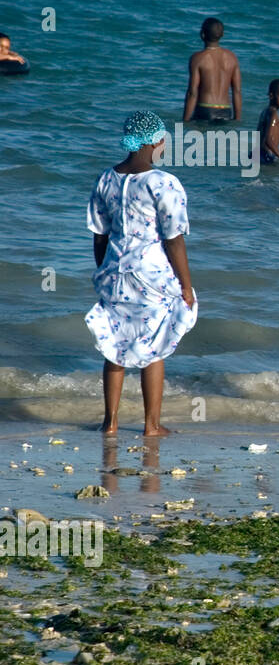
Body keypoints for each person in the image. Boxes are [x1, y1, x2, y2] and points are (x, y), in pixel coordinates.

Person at [86, 112, 197, 436]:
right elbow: (174, 240)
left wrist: (103, 273)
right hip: (151, 275)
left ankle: (110, 423)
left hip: (113, 272)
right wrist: (186, 286)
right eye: (163, 140)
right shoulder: (162, 182)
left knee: (114, 345)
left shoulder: (106, 178)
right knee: (154, 346)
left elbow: (99, 235)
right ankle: (151, 425)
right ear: (155, 142)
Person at [183, 17, 241, 122]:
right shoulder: (232, 58)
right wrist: (237, 118)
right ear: (222, 35)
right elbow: (237, 91)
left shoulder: (197, 58)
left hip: (205, 109)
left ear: (202, 34)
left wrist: (185, 119)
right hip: (226, 111)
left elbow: (192, 92)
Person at [258, 80, 279, 165]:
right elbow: (268, 140)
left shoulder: (265, 111)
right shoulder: (273, 114)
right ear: (271, 95)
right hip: (266, 155)